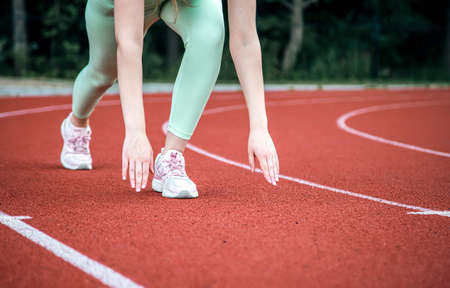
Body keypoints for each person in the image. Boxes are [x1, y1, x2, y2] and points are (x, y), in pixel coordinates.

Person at [60, 0, 280, 198]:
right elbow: (129, 44)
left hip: (180, 3)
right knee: (103, 74)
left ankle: (171, 157)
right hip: (112, 5)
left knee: (210, 32)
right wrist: (136, 132)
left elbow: (245, 41)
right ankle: (76, 124)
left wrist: (260, 128)